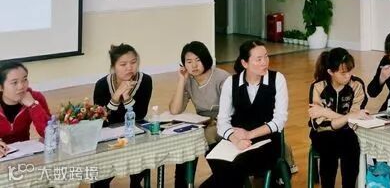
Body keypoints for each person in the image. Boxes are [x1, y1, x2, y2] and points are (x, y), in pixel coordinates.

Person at [211, 40, 288, 187]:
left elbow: (279, 121)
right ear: (244, 63)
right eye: (258, 59)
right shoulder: (231, 82)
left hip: (268, 142)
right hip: (238, 141)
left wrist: (249, 135)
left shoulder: (277, 79)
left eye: (266, 56)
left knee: (230, 170)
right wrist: (236, 140)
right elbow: (222, 121)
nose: (264, 62)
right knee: (215, 159)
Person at [168, 41, 230, 188]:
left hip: (224, 121)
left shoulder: (221, 77)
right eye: (189, 62)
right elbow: (175, 110)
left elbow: (232, 108)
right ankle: (182, 184)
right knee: (185, 139)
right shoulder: (189, 80)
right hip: (204, 122)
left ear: (206, 59)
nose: (194, 66)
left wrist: (215, 121)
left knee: (206, 135)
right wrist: (182, 80)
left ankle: (222, 176)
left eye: (198, 60)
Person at [92, 44, 153, 188]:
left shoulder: (145, 81)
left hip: (135, 129)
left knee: (144, 148)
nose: (129, 68)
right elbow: (102, 121)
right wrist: (115, 97)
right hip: (109, 131)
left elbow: (140, 114)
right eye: (123, 64)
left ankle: (136, 183)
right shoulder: (102, 84)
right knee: (100, 178)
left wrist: (126, 97)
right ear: (113, 67)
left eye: (133, 62)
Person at [308, 48, 368, 188]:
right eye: (343, 73)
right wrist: (348, 117)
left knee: (352, 145)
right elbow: (320, 124)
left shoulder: (357, 85)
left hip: (348, 133)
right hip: (323, 134)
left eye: (350, 71)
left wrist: (326, 112)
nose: (348, 76)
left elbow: (354, 122)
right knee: (328, 144)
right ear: (330, 72)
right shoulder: (318, 87)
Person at [0, 61, 51, 153]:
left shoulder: (36, 98)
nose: (21, 86)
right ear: (1, 87)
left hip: (24, 153)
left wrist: (33, 106)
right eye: (14, 82)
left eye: (24, 80)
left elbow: (50, 133)